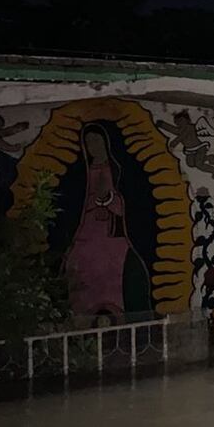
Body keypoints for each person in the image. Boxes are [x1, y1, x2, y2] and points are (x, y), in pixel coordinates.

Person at [64, 126, 146, 320]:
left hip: (112, 231)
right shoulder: (82, 172)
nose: (93, 146)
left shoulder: (118, 169)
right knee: (79, 264)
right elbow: (76, 201)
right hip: (86, 228)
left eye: (97, 141)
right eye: (89, 142)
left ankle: (115, 314)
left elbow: (130, 199)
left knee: (116, 266)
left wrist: (108, 199)